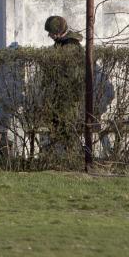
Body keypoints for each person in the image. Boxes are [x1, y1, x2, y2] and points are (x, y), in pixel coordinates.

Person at [39, 15, 84, 158]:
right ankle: (66, 157)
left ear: (58, 32)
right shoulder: (62, 44)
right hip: (62, 93)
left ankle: (75, 158)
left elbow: (68, 73)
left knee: (68, 128)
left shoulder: (70, 45)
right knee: (58, 125)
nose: (49, 35)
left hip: (69, 94)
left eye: (51, 32)